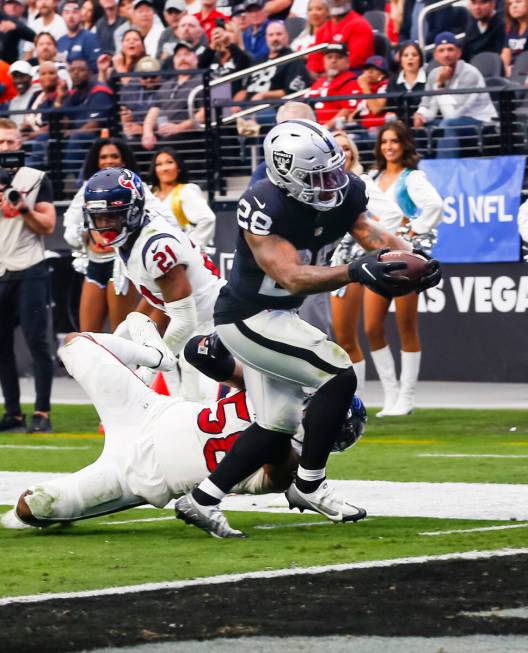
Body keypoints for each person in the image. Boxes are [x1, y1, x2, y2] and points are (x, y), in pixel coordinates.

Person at [173, 119, 441, 538]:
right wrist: (356, 271)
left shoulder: (346, 191)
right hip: (248, 317)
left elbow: (369, 230)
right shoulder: (265, 204)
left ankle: (202, 499)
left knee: (276, 422)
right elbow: (292, 277)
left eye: (335, 170)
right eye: (319, 176)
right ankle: (310, 483)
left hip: (279, 318)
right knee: (338, 373)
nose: (332, 182)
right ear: (285, 175)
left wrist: (412, 256)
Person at [3, 319, 366, 529]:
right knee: (75, 344)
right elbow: (199, 354)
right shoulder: (281, 398)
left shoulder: (287, 467)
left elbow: (275, 450)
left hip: (140, 475)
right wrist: (223, 346)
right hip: (149, 409)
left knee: (35, 507)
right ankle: (155, 356)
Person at [82, 166, 226, 401]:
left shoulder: (155, 246)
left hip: (217, 326)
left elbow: (185, 319)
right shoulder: (130, 240)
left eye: (113, 216)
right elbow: (155, 301)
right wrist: (118, 341)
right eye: (99, 217)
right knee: (188, 408)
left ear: (134, 211)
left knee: (211, 407)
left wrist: (148, 368)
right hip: (199, 330)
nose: (105, 225)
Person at [366, 121, 443, 416]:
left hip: (406, 261)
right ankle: (391, 395)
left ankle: (406, 398)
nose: (389, 146)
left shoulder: (413, 178)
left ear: (404, 145)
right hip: (377, 260)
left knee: (406, 327)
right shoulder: (373, 177)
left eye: (395, 141)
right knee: (372, 328)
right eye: (384, 141)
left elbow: (435, 206)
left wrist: (414, 232)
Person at [330, 130, 403, 397]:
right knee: (339, 338)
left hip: (352, 267)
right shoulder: (321, 185)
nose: (342, 154)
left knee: (357, 335)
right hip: (328, 268)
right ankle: (351, 400)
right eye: (336, 148)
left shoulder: (359, 182)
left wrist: (368, 246)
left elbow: (392, 214)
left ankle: (364, 400)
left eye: (347, 148)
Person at [0, 118, 56, 434]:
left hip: (29, 267)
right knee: (1, 346)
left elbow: (48, 226)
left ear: (20, 144)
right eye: (1, 143)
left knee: (37, 342)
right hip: (0, 269)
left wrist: (23, 208)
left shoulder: (35, 178)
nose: (6, 148)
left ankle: (42, 412)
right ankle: (13, 412)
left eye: (10, 142)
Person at [63, 138, 141, 332]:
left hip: (121, 266)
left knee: (121, 337)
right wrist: (86, 232)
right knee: (88, 337)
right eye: (103, 157)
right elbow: (69, 225)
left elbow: (161, 218)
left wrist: (127, 239)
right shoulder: (87, 188)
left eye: (114, 156)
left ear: (123, 161)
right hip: (94, 265)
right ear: (97, 162)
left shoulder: (135, 186)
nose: (109, 161)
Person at [413, 31, 497, 158]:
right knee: (419, 128)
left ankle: (444, 171)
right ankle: (421, 171)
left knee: (447, 125)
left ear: (459, 53)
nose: (446, 54)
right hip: (455, 123)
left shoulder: (470, 74)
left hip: (481, 123)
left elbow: (453, 114)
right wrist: (421, 116)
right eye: (441, 50)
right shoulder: (434, 74)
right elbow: (428, 104)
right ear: (435, 55)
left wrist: (440, 85)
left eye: (450, 49)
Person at [141, 40, 205, 151]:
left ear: (196, 59)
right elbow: (153, 112)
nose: (183, 58)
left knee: (162, 146)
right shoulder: (166, 85)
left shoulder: (202, 82)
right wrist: (147, 133)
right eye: (178, 55)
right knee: (132, 146)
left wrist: (178, 128)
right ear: (174, 61)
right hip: (164, 134)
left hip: (190, 134)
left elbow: (204, 114)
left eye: (187, 54)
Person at [149, 147, 216, 249]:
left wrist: (188, 247)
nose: (164, 168)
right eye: (159, 164)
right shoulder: (150, 195)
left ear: (178, 167)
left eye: (169, 162)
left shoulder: (186, 191)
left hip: (180, 257)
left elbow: (208, 219)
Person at [306, 0, 374, 76]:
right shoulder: (323, 29)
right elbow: (314, 60)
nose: (335, 1)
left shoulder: (360, 25)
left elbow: (356, 61)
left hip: (351, 78)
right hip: (323, 78)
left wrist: (326, 71)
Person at [305, 42, 358, 130]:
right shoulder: (320, 81)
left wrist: (325, 128)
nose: (333, 60)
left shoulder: (351, 81)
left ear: (347, 61)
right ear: (324, 61)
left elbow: (348, 109)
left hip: (334, 131)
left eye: (339, 57)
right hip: (313, 128)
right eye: (329, 57)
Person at [386, 41, 426, 121]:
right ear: (400, 60)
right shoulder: (393, 81)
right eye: (405, 55)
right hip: (399, 125)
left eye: (414, 55)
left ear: (420, 59)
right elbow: (390, 106)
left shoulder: (428, 79)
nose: (410, 58)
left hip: (424, 123)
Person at [57, 0, 102, 71]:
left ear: (81, 15)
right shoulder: (60, 41)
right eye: (67, 12)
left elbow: (96, 67)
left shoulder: (89, 38)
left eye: (75, 12)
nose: (71, 16)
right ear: (62, 15)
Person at [502, 0, 528, 76]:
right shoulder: (511, 30)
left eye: (518, 2)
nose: (514, 6)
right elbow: (505, 57)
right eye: (510, 4)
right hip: (512, 74)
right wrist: (505, 69)